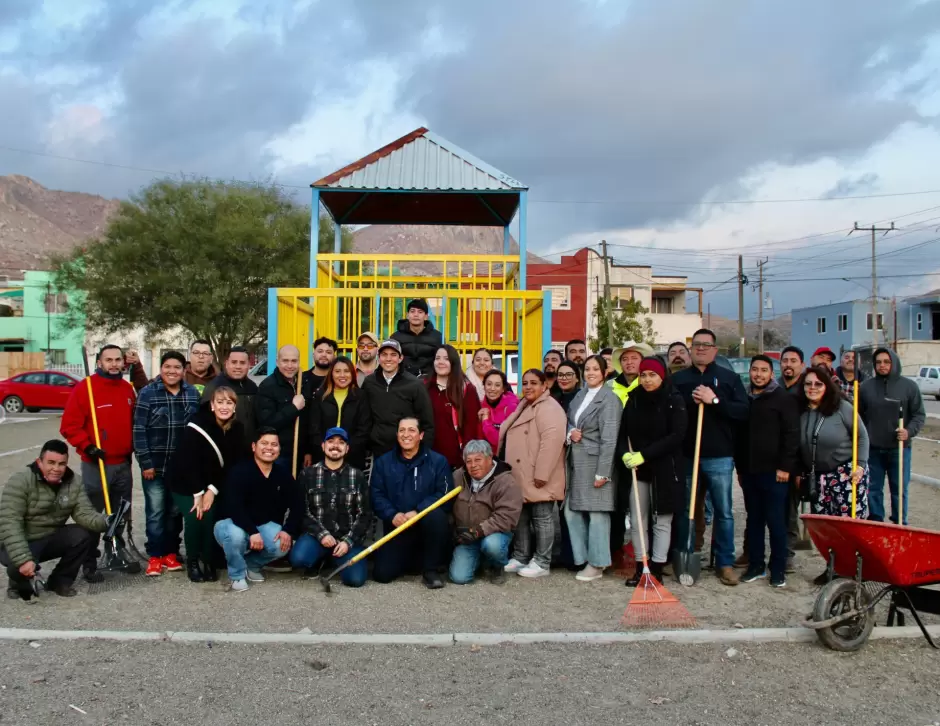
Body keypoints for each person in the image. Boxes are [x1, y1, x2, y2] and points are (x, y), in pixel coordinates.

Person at [673, 329, 749, 587]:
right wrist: (690, 401)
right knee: (687, 510)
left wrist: (714, 400)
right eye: (697, 345)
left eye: (707, 345)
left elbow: (742, 412)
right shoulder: (679, 379)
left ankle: (724, 562)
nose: (701, 349)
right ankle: (688, 554)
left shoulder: (728, 379)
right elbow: (671, 410)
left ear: (715, 350)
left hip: (719, 456)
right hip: (688, 455)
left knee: (724, 512)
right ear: (691, 349)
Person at [60, 343, 136, 583]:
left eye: (118, 360)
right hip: (97, 464)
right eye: (109, 360)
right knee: (93, 515)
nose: (114, 364)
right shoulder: (86, 389)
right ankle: (88, 561)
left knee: (120, 512)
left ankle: (115, 552)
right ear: (99, 363)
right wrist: (87, 446)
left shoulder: (127, 389)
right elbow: (69, 426)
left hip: (123, 463)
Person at [0, 440, 114, 599]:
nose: (56, 468)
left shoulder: (74, 482)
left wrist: (107, 521)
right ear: (39, 462)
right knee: (17, 566)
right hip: (22, 540)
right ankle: (17, 582)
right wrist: (23, 559)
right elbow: (10, 524)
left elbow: (85, 514)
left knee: (82, 535)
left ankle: (60, 581)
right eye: (51, 463)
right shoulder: (19, 481)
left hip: (49, 537)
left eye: (62, 463)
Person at [616, 357, 686, 584]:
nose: (647, 380)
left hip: (665, 469)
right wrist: (624, 453)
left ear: (662, 375)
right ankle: (641, 566)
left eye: (652, 375)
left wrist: (645, 454)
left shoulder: (674, 399)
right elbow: (622, 433)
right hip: (639, 471)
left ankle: (656, 569)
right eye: (643, 375)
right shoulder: (634, 399)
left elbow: (677, 435)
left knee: (662, 520)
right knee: (638, 520)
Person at [798, 366, 870, 583]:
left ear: (826, 386)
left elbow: (862, 437)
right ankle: (833, 567)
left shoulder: (842, 408)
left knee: (849, 527)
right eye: (808, 384)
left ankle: (856, 570)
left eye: (818, 384)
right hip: (818, 478)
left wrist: (861, 464)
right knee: (827, 529)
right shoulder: (800, 410)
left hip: (846, 474)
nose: (812, 388)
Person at [167, 386, 244, 582]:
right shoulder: (197, 424)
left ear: (235, 407)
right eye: (220, 402)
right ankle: (192, 561)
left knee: (209, 518)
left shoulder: (237, 428)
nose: (224, 407)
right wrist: (198, 493)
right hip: (185, 482)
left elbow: (231, 464)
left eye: (229, 402)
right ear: (212, 405)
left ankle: (208, 559)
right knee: (196, 516)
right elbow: (187, 462)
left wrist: (212, 490)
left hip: (213, 482)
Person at [133, 351, 200, 577]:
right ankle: (155, 555)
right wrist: (145, 462)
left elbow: (196, 432)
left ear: (184, 370)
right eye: (167, 366)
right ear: (161, 368)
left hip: (181, 469)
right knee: (155, 512)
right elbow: (139, 430)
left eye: (177, 367)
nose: (172, 371)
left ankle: (171, 553)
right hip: (155, 467)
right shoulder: (147, 393)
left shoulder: (191, 394)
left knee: (174, 513)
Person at [735, 355, 799, 588]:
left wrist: (785, 467)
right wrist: (740, 468)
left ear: (772, 374)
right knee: (754, 521)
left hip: (775, 473)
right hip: (750, 471)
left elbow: (792, 435)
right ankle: (755, 565)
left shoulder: (783, 399)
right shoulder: (745, 398)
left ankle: (778, 569)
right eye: (755, 370)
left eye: (764, 370)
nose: (758, 374)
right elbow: (740, 438)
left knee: (776, 522)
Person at [213, 428, 304, 592]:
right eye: (264, 443)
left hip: (263, 526)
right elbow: (234, 507)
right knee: (236, 536)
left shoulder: (282, 474)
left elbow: (298, 505)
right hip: (232, 524)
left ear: (279, 449)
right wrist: (252, 531)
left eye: (274, 444)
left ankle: (251, 565)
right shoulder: (239, 471)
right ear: (254, 446)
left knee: (281, 545)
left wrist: (288, 530)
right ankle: (237, 575)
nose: (269, 448)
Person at [370, 417, 453, 588]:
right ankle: (411, 561)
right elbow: (376, 495)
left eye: (411, 430)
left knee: (436, 515)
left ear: (421, 435)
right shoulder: (383, 463)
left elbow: (444, 495)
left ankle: (431, 570)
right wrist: (392, 514)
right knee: (382, 574)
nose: (406, 435)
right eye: (402, 430)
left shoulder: (438, 462)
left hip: (425, 528)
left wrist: (418, 512)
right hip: (397, 528)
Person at [500, 369, 567, 579]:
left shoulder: (549, 408)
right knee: (521, 517)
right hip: (521, 473)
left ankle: (542, 561)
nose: (528, 387)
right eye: (525, 383)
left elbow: (552, 442)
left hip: (538, 473)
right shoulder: (525, 405)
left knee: (542, 517)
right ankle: (521, 555)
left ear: (544, 385)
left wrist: (542, 473)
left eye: (534, 383)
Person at [564, 355, 621, 582]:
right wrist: (570, 432)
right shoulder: (580, 395)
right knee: (572, 511)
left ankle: (597, 563)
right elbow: (570, 421)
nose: (590, 373)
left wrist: (604, 472)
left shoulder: (610, 400)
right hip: (577, 461)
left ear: (604, 372)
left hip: (597, 462)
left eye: (595, 369)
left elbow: (610, 439)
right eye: (587, 369)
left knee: (597, 515)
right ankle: (584, 558)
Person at [291, 428, 370, 587]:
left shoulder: (358, 476)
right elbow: (301, 511)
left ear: (347, 448)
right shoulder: (308, 474)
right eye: (331, 441)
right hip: (317, 537)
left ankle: (335, 559)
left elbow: (365, 514)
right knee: (299, 559)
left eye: (341, 442)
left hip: (346, 539)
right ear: (323, 445)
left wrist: (348, 541)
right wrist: (322, 535)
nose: (336, 446)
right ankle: (320, 559)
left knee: (355, 580)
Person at [859, 348, 925, 525]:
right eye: (878, 362)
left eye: (886, 362)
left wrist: (908, 431)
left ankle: (899, 523)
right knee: (873, 489)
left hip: (900, 448)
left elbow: (919, 415)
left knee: (899, 489)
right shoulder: (865, 387)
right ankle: (876, 522)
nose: (882, 365)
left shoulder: (909, 387)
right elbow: (858, 417)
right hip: (873, 450)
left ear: (894, 362)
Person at [449, 440, 523, 585]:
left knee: (492, 546)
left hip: (495, 533)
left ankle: (497, 566)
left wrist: (478, 531)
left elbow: (506, 517)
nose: (473, 465)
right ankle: (480, 560)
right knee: (459, 578)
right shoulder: (458, 476)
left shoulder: (506, 481)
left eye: (478, 459)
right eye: (468, 461)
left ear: (490, 459)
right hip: (466, 536)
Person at [361, 340, 435, 459]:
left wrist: (423, 452)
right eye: (384, 354)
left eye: (393, 355)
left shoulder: (415, 385)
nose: (388, 359)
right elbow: (363, 416)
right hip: (377, 450)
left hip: (407, 450)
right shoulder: (369, 382)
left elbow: (427, 423)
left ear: (401, 358)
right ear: (379, 358)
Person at [308, 356, 371, 470]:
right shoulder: (320, 396)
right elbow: (314, 427)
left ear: (352, 374)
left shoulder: (360, 396)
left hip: (352, 457)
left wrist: (346, 448)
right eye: (337, 371)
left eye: (346, 371)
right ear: (331, 374)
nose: (342, 375)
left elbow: (364, 429)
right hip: (323, 456)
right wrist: (324, 447)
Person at [426, 345, 481, 469]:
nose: (441, 362)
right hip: (427, 457)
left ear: (454, 362)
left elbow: (471, 427)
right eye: (437, 358)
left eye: (446, 358)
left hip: (455, 460)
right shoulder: (425, 386)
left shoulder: (466, 389)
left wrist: (465, 456)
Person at [256, 345, 310, 472]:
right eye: (285, 361)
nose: (290, 365)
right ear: (277, 362)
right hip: (279, 453)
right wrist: (294, 408)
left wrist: (308, 450)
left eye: (294, 361)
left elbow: (308, 420)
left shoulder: (304, 382)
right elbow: (267, 423)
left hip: (301, 452)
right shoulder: (268, 386)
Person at [202, 346, 259, 447]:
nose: (238, 366)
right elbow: (205, 422)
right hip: (224, 448)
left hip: (250, 450)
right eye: (234, 362)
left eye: (242, 363)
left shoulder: (253, 387)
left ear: (248, 365)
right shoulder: (214, 387)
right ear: (226, 363)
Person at [392, 298, 443, 378]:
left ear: (426, 316)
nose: (416, 315)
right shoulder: (396, 337)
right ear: (407, 315)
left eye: (420, 312)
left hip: (429, 380)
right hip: (402, 379)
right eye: (412, 311)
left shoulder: (437, 337)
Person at [478, 369, 519, 451]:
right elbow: (478, 439)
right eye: (489, 384)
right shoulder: (480, 406)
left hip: (505, 458)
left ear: (503, 389)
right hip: (485, 458)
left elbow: (500, 441)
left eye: (497, 385)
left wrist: (485, 421)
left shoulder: (512, 408)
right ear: (484, 386)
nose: (492, 388)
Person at [609, 342, 654, 407]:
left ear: (642, 361)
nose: (629, 362)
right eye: (625, 359)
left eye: (634, 358)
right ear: (620, 364)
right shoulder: (609, 385)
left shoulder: (649, 384)